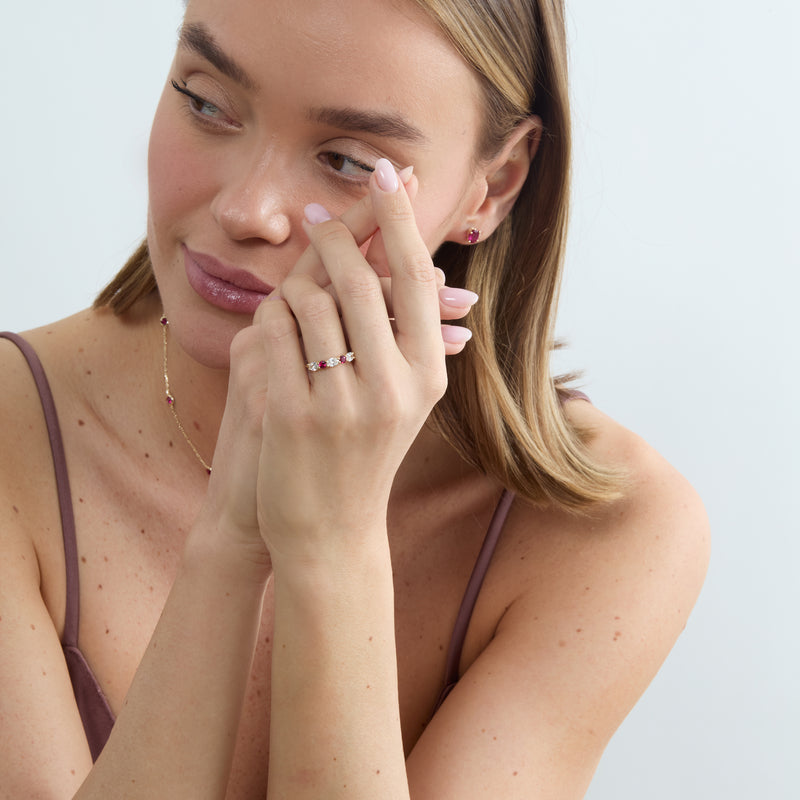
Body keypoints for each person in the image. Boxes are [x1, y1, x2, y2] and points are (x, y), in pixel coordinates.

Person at [0, 0, 710, 797]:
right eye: (206, 103)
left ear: (494, 186)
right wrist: (230, 545)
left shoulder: (608, 530)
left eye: (344, 160)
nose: (245, 210)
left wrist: (332, 546)